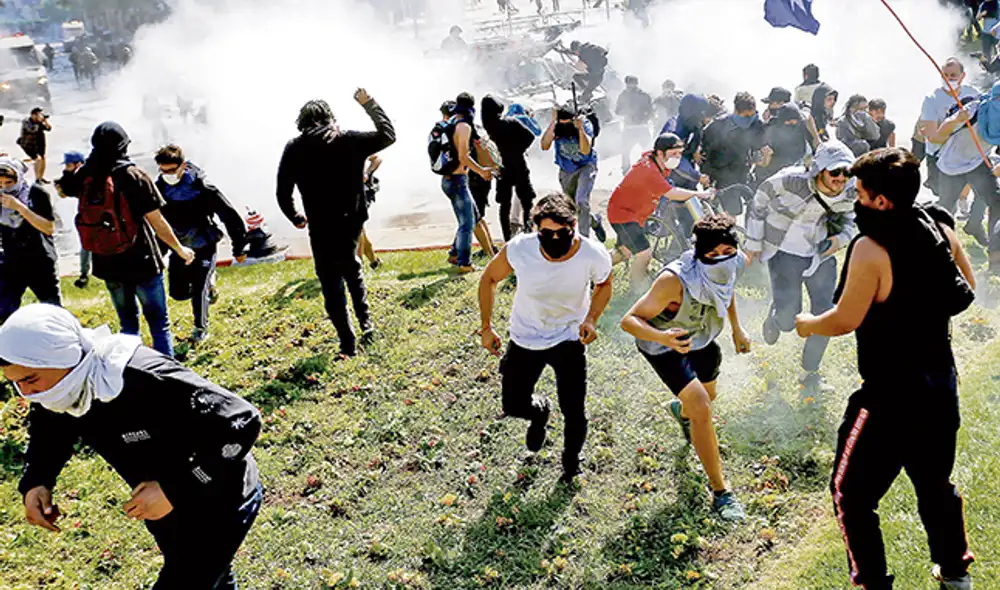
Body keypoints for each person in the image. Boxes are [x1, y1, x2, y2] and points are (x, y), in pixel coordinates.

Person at [794, 148, 976, 590]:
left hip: (889, 398)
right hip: (939, 386)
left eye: (859, 191)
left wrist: (806, 324)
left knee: (850, 495)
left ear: (881, 202)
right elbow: (967, 286)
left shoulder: (871, 249)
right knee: (935, 484)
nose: (854, 198)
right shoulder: (939, 229)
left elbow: (845, 319)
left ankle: (873, 584)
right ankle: (955, 573)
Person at [2, 304, 263, 590]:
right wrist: (38, 479)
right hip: (165, 508)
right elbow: (51, 425)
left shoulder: (141, 375)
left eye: (29, 380)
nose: (26, 394)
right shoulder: (66, 387)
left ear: (61, 355)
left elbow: (241, 421)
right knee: (209, 575)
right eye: (16, 384)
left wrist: (174, 488)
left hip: (221, 498)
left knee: (188, 577)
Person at [621, 213, 751, 522]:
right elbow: (630, 321)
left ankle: (682, 412)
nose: (721, 259)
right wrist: (661, 336)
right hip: (663, 344)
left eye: (727, 252)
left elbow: (725, 288)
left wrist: (737, 329)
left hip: (702, 338)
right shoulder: (673, 281)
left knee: (706, 398)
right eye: (712, 254)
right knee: (702, 408)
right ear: (698, 253)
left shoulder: (735, 261)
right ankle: (721, 492)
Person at [478, 194, 613, 484]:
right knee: (514, 404)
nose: (553, 239)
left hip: (568, 337)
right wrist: (486, 327)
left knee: (574, 408)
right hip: (525, 336)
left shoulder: (593, 253)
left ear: (574, 225)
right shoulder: (521, 249)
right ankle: (539, 410)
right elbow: (489, 278)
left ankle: (571, 464)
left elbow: (604, 283)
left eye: (561, 233)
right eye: (546, 234)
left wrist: (591, 318)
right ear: (535, 229)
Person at [57, 122, 195, 358]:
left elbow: (63, 188)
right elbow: (157, 222)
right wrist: (180, 249)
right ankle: (168, 375)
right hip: (141, 260)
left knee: (128, 326)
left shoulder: (85, 174)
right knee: (159, 323)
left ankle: (134, 371)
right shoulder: (134, 175)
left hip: (106, 262)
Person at [277, 89, 395, 358]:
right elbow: (388, 135)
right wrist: (370, 105)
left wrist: (295, 216)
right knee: (352, 267)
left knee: (330, 280)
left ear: (302, 122)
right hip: (352, 219)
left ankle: (347, 340)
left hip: (320, 223)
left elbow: (282, 191)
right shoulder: (349, 139)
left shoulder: (294, 148)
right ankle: (365, 322)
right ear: (329, 118)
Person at [746, 141, 858, 392]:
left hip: (821, 255)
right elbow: (759, 201)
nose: (842, 178)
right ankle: (776, 318)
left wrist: (839, 240)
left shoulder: (851, 191)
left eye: (847, 172)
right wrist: (753, 241)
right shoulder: (789, 180)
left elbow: (853, 219)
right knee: (789, 321)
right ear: (819, 169)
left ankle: (810, 374)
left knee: (825, 314)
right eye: (835, 171)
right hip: (783, 252)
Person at [154, 144, 248, 345]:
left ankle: (200, 327)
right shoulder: (159, 188)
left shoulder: (202, 187)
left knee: (199, 287)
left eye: (172, 170)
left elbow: (229, 215)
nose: (168, 175)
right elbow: (158, 222)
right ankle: (209, 286)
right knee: (178, 293)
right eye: (163, 171)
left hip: (203, 240)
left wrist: (239, 247)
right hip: (179, 245)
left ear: (183, 166)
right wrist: (158, 251)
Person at [607, 133, 715, 291]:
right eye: (673, 154)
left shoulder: (657, 163)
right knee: (644, 252)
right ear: (659, 152)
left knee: (625, 251)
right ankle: (636, 290)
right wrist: (698, 194)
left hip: (635, 215)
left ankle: (591, 270)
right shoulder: (649, 170)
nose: (677, 157)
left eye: (679, 153)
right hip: (623, 215)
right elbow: (671, 192)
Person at [920, 58, 999, 263]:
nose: (948, 80)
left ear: (963, 76)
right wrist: (956, 122)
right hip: (947, 161)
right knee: (945, 208)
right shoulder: (933, 99)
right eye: (945, 75)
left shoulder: (974, 95)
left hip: (976, 160)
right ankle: (941, 254)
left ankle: (994, 252)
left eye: (953, 76)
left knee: (995, 200)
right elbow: (934, 137)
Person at [435, 94, 496, 272]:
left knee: (474, 217)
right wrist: (482, 171)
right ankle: (464, 263)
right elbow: (463, 156)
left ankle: (454, 254)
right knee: (466, 224)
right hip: (457, 180)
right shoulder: (463, 126)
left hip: (452, 179)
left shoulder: (452, 123)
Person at [0, 158, 59, 323]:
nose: (5, 188)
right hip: (12, 261)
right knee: (4, 312)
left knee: (54, 311)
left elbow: (48, 227)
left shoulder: (36, 193)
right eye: (0, 184)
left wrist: (20, 208)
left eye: (9, 183)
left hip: (40, 260)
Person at [481, 96, 539, 241]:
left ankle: (507, 238)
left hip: (502, 169)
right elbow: (530, 136)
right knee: (526, 201)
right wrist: (518, 150)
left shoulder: (488, 128)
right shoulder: (510, 123)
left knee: (504, 205)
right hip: (519, 165)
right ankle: (528, 232)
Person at [701, 92, 766, 215]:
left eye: (751, 115)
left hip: (743, 171)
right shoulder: (717, 126)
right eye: (745, 116)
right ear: (736, 110)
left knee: (754, 204)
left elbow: (759, 145)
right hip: (721, 173)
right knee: (731, 210)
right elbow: (705, 152)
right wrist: (706, 174)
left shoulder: (756, 124)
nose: (749, 120)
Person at [541, 105, 601, 239]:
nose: (564, 127)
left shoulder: (584, 124)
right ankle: (594, 221)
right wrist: (553, 121)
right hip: (566, 168)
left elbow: (586, 150)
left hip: (586, 166)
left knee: (581, 201)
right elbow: (545, 146)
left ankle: (584, 238)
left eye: (567, 124)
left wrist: (579, 128)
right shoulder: (556, 126)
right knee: (571, 206)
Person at [54, 151, 91, 288]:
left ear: (78, 164)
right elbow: (65, 194)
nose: (66, 168)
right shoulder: (69, 176)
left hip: (95, 214)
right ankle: (84, 274)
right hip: (84, 214)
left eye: (68, 165)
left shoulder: (87, 175)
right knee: (86, 245)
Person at [758, 103, 811, 183]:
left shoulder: (801, 126)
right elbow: (763, 156)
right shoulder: (770, 128)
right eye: (788, 122)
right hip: (773, 172)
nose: (792, 124)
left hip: (796, 168)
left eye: (794, 122)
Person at [616, 75, 654, 175]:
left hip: (640, 128)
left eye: (632, 84)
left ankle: (650, 169)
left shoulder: (644, 96)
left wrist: (644, 118)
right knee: (625, 151)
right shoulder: (623, 95)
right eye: (629, 84)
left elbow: (651, 112)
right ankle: (626, 171)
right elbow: (618, 111)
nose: (630, 86)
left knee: (647, 150)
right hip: (631, 128)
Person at [358, 155, 383, 270]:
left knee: (355, 227)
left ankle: (358, 264)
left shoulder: (353, 141)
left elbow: (376, 159)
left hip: (360, 191)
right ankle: (374, 261)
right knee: (358, 229)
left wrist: (367, 174)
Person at [18, 108, 51, 183]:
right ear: (34, 115)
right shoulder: (26, 121)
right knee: (37, 159)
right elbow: (32, 129)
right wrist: (40, 121)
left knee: (42, 158)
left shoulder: (40, 122)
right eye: (39, 114)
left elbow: (49, 128)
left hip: (39, 142)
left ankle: (41, 177)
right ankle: (37, 179)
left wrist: (45, 121)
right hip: (28, 144)